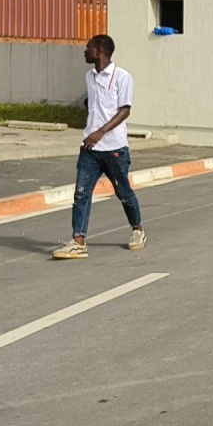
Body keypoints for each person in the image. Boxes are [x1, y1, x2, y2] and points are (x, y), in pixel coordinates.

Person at [53, 35, 145, 259]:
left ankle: (138, 230)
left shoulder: (123, 77)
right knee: (81, 193)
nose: (85, 51)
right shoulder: (89, 76)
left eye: (88, 48)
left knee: (123, 192)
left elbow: (125, 110)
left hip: (114, 148)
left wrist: (101, 131)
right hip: (90, 149)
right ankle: (79, 242)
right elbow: (95, 103)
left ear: (100, 50)